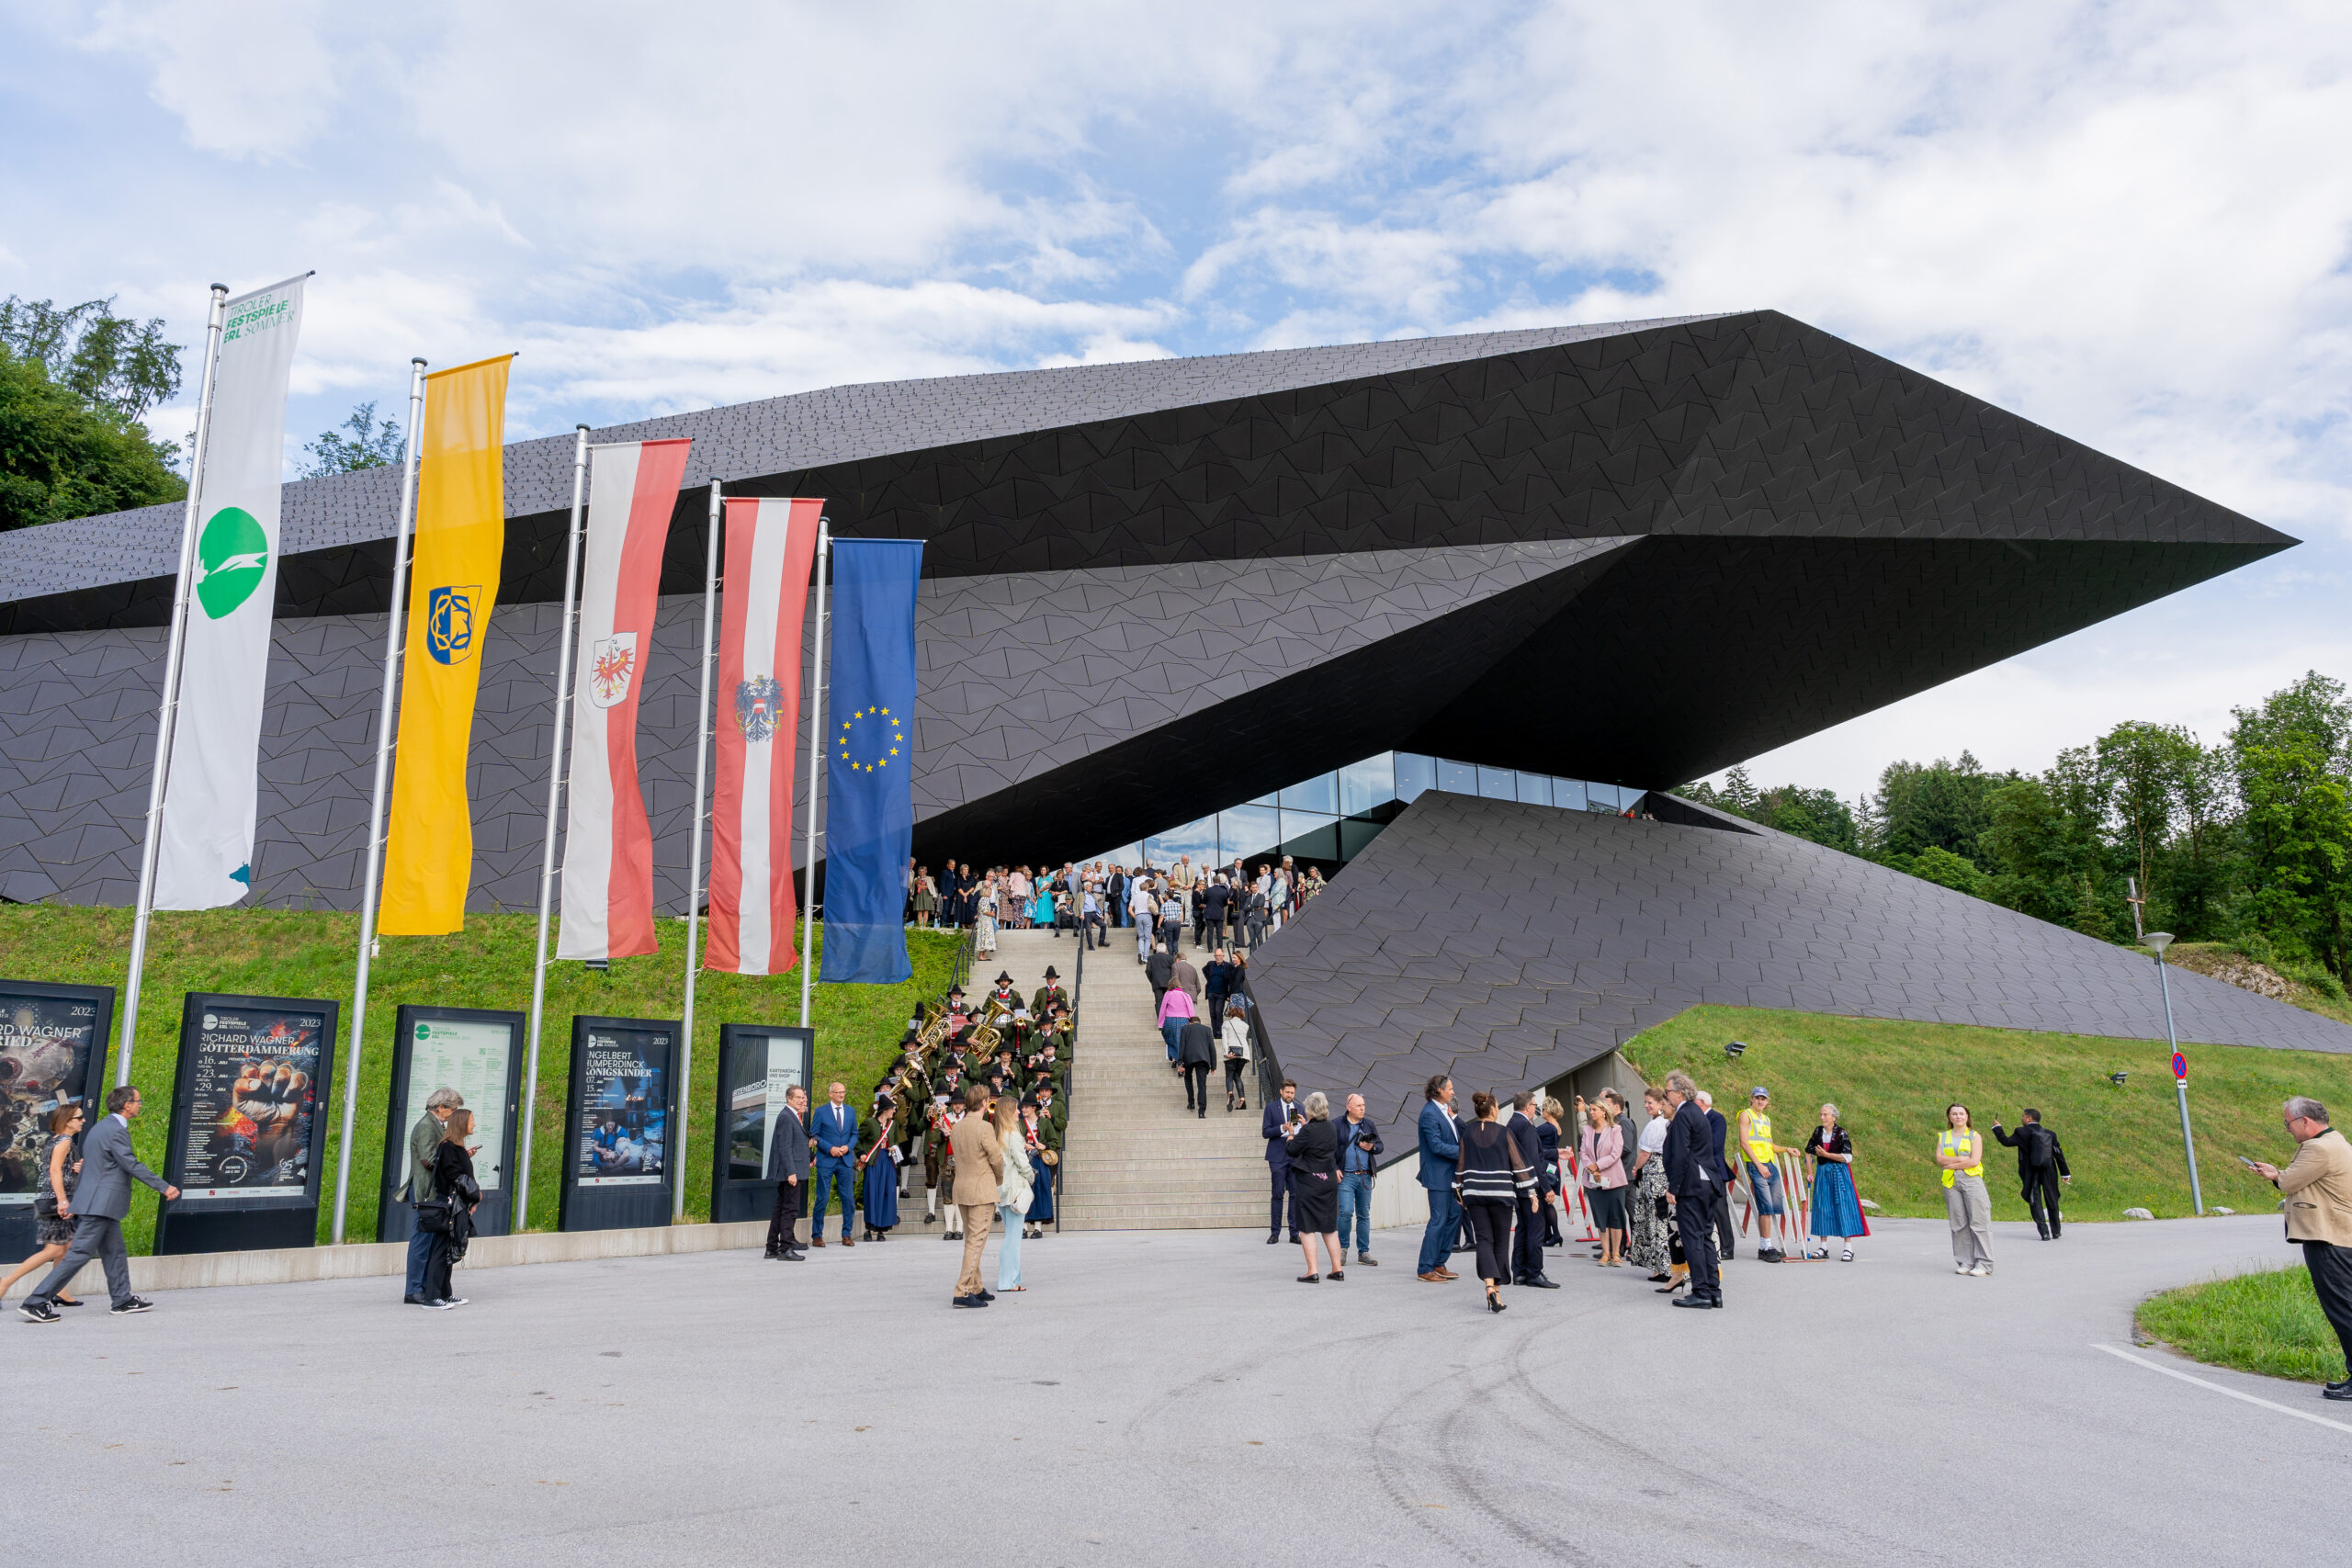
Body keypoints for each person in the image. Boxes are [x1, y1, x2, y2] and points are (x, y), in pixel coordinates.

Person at [20, 1084, 177, 1322]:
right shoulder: (115, 1131)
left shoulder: (100, 1128)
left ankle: (122, 1299)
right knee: (79, 1254)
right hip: (100, 1204)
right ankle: (36, 1301)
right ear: (127, 1105)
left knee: (114, 1252)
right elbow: (130, 1164)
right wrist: (164, 1187)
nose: (140, 1105)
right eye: (138, 1101)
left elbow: (90, 1167)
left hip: (100, 1203)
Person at [2248, 1096, 2352, 1399]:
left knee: (2343, 1309)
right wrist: (2278, 1175)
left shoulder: (2318, 1148)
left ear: (2305, 1121)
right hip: (2340, 1237)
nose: (2288, 1130)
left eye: (2288, 1124)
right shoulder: (2336, 1141)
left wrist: (2276, 1176)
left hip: (2329, 1238)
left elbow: (2289, 1182)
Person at [1453, 1091, 1536, 1312]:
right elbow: (1518, 1164)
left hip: (1475, 1194)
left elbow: (1460, 1165)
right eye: (1497, 1107)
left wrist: (1458, 1190)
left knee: (1483, 1240)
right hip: (1501, 1194)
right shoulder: (1503, 1132)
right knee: (1501, 1242)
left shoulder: (1467, 1133)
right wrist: (1531, 1192)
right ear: (1492, 1110)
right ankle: (1497, 1293)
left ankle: (1489, 1288)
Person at [0, 1107, 87, 1308]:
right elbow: (54, 1170)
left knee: (66, 1248)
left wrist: (75, 1167)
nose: (83, 1121)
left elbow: (59, 1168)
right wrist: (63, 1200)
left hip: (54, 1200)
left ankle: (59, 1289)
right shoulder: (64, 1141)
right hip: (56, 1202)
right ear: (67, 1121)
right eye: (79, 1118)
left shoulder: (55, 1140)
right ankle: (6, 1282)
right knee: (53, 1250)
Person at [1661, 1070, 1725, 1310]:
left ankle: (1700, 1292)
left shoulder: (1684, 1115)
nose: (1666, 1097)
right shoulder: (1697, 1113)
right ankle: (1713, 1291)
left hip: (1692, 1185)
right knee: (1705, 1237)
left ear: (1678, 1093)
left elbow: (1680, 1154)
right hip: (1707, 1182)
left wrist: (1673, 1187)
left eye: (1667, 1092)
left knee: (1693, 1239)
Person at [396, 1087, 462, 1304]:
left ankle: (424, 1286)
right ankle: (414, 1289)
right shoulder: (426, 1126)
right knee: (422, 1239)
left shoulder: (435, 1125)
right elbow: (428, 1159)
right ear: (440, 1107)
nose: (453, 1114)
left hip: (430, 1191)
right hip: (426, 1191)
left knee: (430, 1239)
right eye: (453, 1110)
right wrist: (453, 1161)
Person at [419, 1109, 481, 1310]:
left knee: (448, 1250)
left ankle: (445, 1293)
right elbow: (455, 1176)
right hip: (448, 1206)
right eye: (472, 1121)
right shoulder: (447, 1147)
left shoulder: (455, 1147)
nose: (474, 1124)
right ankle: (431, 1297)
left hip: (456, 1205)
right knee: (440, 1250)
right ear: (462, 1123)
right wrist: (475, 1193)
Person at [949, 1085, 1004, 1308]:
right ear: (983, 1103)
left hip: (961, 1187)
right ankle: (962, 1291)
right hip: (981, 1189)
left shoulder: (957, 1127)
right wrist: (998, 1179)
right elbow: (997, 1159)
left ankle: (976, 1286)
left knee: (971, 1240)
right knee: (976, 1241)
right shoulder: (984, 1128)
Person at [1285, 1091, 1344, 1281]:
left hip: (1309, 1182)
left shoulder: (1309, 1131)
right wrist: (1305, 1126)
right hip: (1328, 1181)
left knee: (1307, 1228)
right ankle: (1337, 1269)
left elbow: (1292, 1150)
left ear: (1309, 1110)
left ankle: (1313, 1271)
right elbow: (1317, 1141)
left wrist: (1292, 1135)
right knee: (1329, 1228)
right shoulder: (1331, 1127)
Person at [1992, 1109, 2072, 1240]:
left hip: (2031, 1172)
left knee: (2035, 1201)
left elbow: (2006, 1142)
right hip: (2049, 1170)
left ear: (2029, 1119)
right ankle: (2056, 1231)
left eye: (2023, 1116)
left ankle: (2044, 1232)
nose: (2021, 1118)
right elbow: (2058, 1153)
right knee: (2051, 1199)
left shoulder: (2021, 1132)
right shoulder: (2050, 1133)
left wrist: (1997, 1127)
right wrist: (2065, 1173)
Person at [1505, 1092, 1557, 1288]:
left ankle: (1519, 1272)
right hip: (1530, 1186)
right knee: (1536, 1229)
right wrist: (1546, 1188)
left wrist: (1555, 1152)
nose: (1536, 1109)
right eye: (1535, 1105)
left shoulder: (1512, 1124)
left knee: (1523, 1228)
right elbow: (1533, 1160)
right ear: (1528, 1107)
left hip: (1519, 1185)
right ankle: (1535, 1272)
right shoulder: (1525, 1126)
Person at [1803, 1103, 1867, 1262]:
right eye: (1821, 1114)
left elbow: (1847, 1157)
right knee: (1822, 1206)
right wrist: (1810, 1172)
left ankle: (1848, 1248)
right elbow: (1808, 1152)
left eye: (1825, 1115)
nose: (1822, 1117)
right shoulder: (1818, 1131)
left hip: (1839, 1174)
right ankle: (1823, 1246)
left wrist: (1826, 1154)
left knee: (1843, 1206)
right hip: (1823, 1173)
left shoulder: (1841, 1133)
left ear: (1833, 1117)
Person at [1937, 1104, 1994, 1276]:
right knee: (1958, 1223)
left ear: (1967, 1116)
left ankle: (1984, 1263)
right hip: (1951, 1182)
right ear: (1949, 1117)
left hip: (1971, 1180)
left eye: (1961, 1113)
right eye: (1954, 1114)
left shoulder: (1974, 1136)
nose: (1958, 1116)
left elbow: (1974, 1161)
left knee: (1978, 1222)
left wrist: (1952, 1164)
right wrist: (1959, 1159)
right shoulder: (1944, 1136)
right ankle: (1965, 1261)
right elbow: (1939, 1159)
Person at [1738, 1088, 1794, 1261]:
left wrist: (1786, 1149)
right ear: (1752, 1099)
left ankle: (1765, 1245)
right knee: (1766, 1206)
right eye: (1757, 1098)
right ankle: (1766, 1246)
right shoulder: (1746, 1115)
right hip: (1757, 1165)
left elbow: (1769, 1145)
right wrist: (1758, 1165)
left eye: (1763, 1099)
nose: (1760, 1101)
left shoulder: (1766, 1120)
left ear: (1768, 1101)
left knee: (1775, 1204)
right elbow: (1744, 1143)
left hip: (1768, 1163)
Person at [1417, 1075, 1462, 1282]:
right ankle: (1425, 1268)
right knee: (1438, 1220)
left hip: (1447, 1175)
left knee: (1454, 1215)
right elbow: (1435, 1146)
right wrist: (1463, 1151)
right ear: (1438, 1091)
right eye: (1450, 1089)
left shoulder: (1442, 1111)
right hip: (1437, 1176)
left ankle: (1439, 1262)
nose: (1453, 1092)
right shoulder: (1429, 1114)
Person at [1627, 1086, 1674, 1282]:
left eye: (1650, 1103)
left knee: (1656, 1222)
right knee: (1660, 1221)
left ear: (1661, 1104)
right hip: (1662, 1174)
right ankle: (1665, 1266)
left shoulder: (1656, 1125)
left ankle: (1662, 1268)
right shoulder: (1663, 1122)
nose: (1646, 1106)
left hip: (1654, 1175)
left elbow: (1645, 1153)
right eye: (1645, 1102)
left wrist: (1636, 1168)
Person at [1579, 1098, 1628, 1268]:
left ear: (1604, 1111)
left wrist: (1598, 1166)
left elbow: (1616, 1153)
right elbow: (1583, 1152)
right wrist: (1591, 1168)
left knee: (1615, 1216)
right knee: (1601, 1217)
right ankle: (1606, 1253)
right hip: (1593, 1179)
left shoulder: (1615, 1129)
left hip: (1612, 1179)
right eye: (1590, 1109)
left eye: (1594, 1109)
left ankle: (1616, 1253)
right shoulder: (1587, 1130)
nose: (1591, 1112)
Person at [810, 1081, 859, 1247]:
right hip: (826, 1160)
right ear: (830, 1094)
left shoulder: (850, 1111)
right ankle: (817, 1235)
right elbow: (814, 1135)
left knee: (848, 1199)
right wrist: (829, 1148)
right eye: (838, 1092)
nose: (841, 1095)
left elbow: (854, 1134)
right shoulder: (821, 1111)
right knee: (822, 1198)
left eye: (843, 1092)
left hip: (845, 1160)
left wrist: (848, 1147)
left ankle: (846, 1234)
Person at [1336, 1093, 1383, 1267]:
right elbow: (1328, 1149)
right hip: (1346, 1176)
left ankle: (1363, 1252)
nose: (1362, 1108)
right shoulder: (1337, 1124)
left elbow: (1380, 1146)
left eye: (1363, 1105)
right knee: (1346, 1212)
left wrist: (1372, 1147)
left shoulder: (1369, 1124)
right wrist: (1334, 1168)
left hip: (1365, 1176)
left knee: (1364, 1214)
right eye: (1359, 1106)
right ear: (1349, 1107)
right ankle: (1342, 1249)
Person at [993, 1093, 1034, 1293]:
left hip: (1001, 1191)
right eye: (1016, 1109)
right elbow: (1023, 1163)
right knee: (1013, 1238)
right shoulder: (1013, 1134)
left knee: (1011, 1235)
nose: (1019, 1111)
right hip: (1015, 1190)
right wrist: (1032, 1178)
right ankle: (1007, 1281)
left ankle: (1013, 1279)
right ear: (1009, 1112)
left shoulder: (998, 1134)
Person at [765, 1084, 810, 1259]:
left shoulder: (794, 1116)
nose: (802, 1100)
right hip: (792, 1172)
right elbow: (784, 1146)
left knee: (781, 1208)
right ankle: (785, 1249)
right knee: (789, 1210)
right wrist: (792, 1172)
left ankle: (771, 1247)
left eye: (803, 1098)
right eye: (798, 1098)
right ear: (789, 1099)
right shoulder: (786, 1116)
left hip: (795, 1168)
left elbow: (795, 1142)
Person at [1696, 1089, 1736, 1261]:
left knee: (1720, 1211)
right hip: (1699, 1171)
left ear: (1702, 1103)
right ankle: (1709, 1244)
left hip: (1715, 1170)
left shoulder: (1716, 1118)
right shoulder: (1697, 1119)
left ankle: (1728, 1247)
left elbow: (1715, 1145)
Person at [857, 1091, 902, 1242]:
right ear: (885, 1110)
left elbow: (895, 1141)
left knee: (886, 1194)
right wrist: (861, 1153)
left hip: (888, 1162)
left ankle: (882, 1230)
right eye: (892, 1109)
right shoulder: (870, 1123)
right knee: (872, 1194)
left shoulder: (893, 1124)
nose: (894, 1111)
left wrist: (894, 1148)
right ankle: (869, 1229)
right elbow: (857, 1139)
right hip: (874, 1162)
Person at [1263, 1077, 1303, 1245]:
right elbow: (1265, 1132)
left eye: (1292, 1093)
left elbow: (1307, 1133)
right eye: (1287, 1092)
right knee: (1278, 1194)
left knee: (1295, 1195)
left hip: (1295, 1156)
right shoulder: (1272, 1108)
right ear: (1281, 1091)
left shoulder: (1299, 1108)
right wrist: (1283, 1128)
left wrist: (1301, 1127)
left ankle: (1294, 1233)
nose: (1289, 1095)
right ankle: (1275, 1232)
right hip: (1277, 1156)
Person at [1537, 1099, 1566, 1247]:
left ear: (1549, 1111)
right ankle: (1550, 1234)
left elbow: (1531, 1138)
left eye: (1543, 1109)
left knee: (1546, 1201)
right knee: (1546, 1200)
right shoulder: (1557, 1126)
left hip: (1546, 1164)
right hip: (1553, 1165)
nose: (1542, 1111)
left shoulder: (1546, 1128)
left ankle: (1555, 1234)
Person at [1220, 999, 1251, 1112]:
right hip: (1243, 1054)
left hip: (1231, 1052)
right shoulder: (1245, 1025)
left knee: (1229, 1075)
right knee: (1237, 1076)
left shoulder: (1226, 1024)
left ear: (1231, 1014)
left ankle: (1230, 1093)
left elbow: (1225, 1039)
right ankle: (1242, 1099)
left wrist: (1226, 1053)